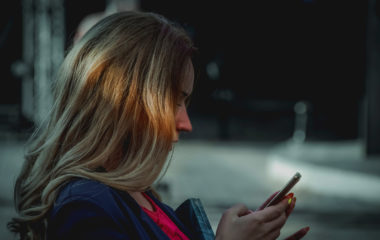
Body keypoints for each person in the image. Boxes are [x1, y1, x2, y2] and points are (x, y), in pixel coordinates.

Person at [8, 11, 310, 240]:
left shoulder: (131, 192)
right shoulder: (87, 208)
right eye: (173, 101)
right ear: (122, 101)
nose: (186, 124)